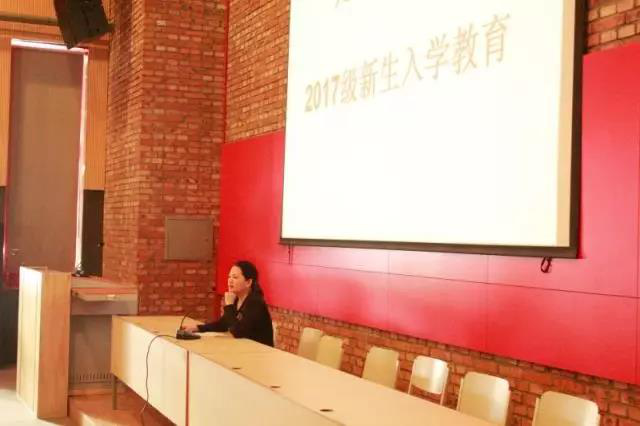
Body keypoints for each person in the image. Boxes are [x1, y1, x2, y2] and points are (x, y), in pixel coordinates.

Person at [183, 260, 274, 347]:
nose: (230, 281)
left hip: (260, 351)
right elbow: (223, 324)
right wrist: (198, 328)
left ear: (248, 282)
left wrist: (229, 306)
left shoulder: (255, 303)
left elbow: (239, 332)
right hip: (244, 348)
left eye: (235, 277)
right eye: (229, 277)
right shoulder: (236, 299)